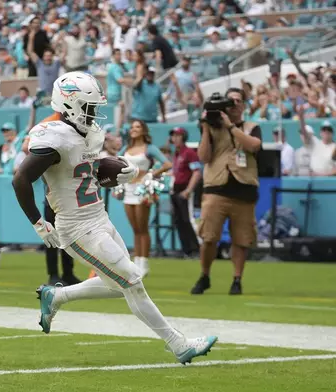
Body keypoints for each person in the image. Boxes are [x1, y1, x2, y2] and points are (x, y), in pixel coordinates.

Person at [12, 71, 217, 365]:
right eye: (89, 106)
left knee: (116, 284)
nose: (94, 113)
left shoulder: (85, 131)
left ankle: (55, 297)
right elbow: (20, 179)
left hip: (99, 217)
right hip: (77, 228)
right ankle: (179, 344)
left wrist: (123, 170)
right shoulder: (53, 134)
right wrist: (37, 222)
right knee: (132, 281)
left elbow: (87, 169)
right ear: (69, 103)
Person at [191, 88, 262, 296]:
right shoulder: (212, 128)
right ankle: (205, 275)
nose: (234, 104)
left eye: (239, 101)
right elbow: (203, 157)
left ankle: (237, 279)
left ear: (244, 105)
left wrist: (231, 127)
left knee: (242, 239)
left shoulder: (252, 127)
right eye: (230, 101)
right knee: (209, 236)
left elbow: (254, 146)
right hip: (216, 188)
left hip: (244, 190)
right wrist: (205, 129)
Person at [116, 119, 171, 276]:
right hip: (128, 189)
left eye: (138, 127)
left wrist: (150, 174)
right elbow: (115, 161)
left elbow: (167, 164)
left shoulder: (149, 148)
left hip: (142, 190)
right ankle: (136, 263)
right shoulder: (126, 148)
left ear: (144, 130)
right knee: (135, 229)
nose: (134, 129)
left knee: (142, 227)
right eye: (132, 127)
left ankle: (143, 263)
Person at [169, 127, 201, 258]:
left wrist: (189, 190)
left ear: (184, 137)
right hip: (176, 190)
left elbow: (197, 172)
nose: (175, 138)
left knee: (189, 220)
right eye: (173, 136)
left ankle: (198, 249)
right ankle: (187, 250)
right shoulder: (176, 153)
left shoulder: (189, 153)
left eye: (178, 136)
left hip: (185, 189)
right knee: (179, 221)